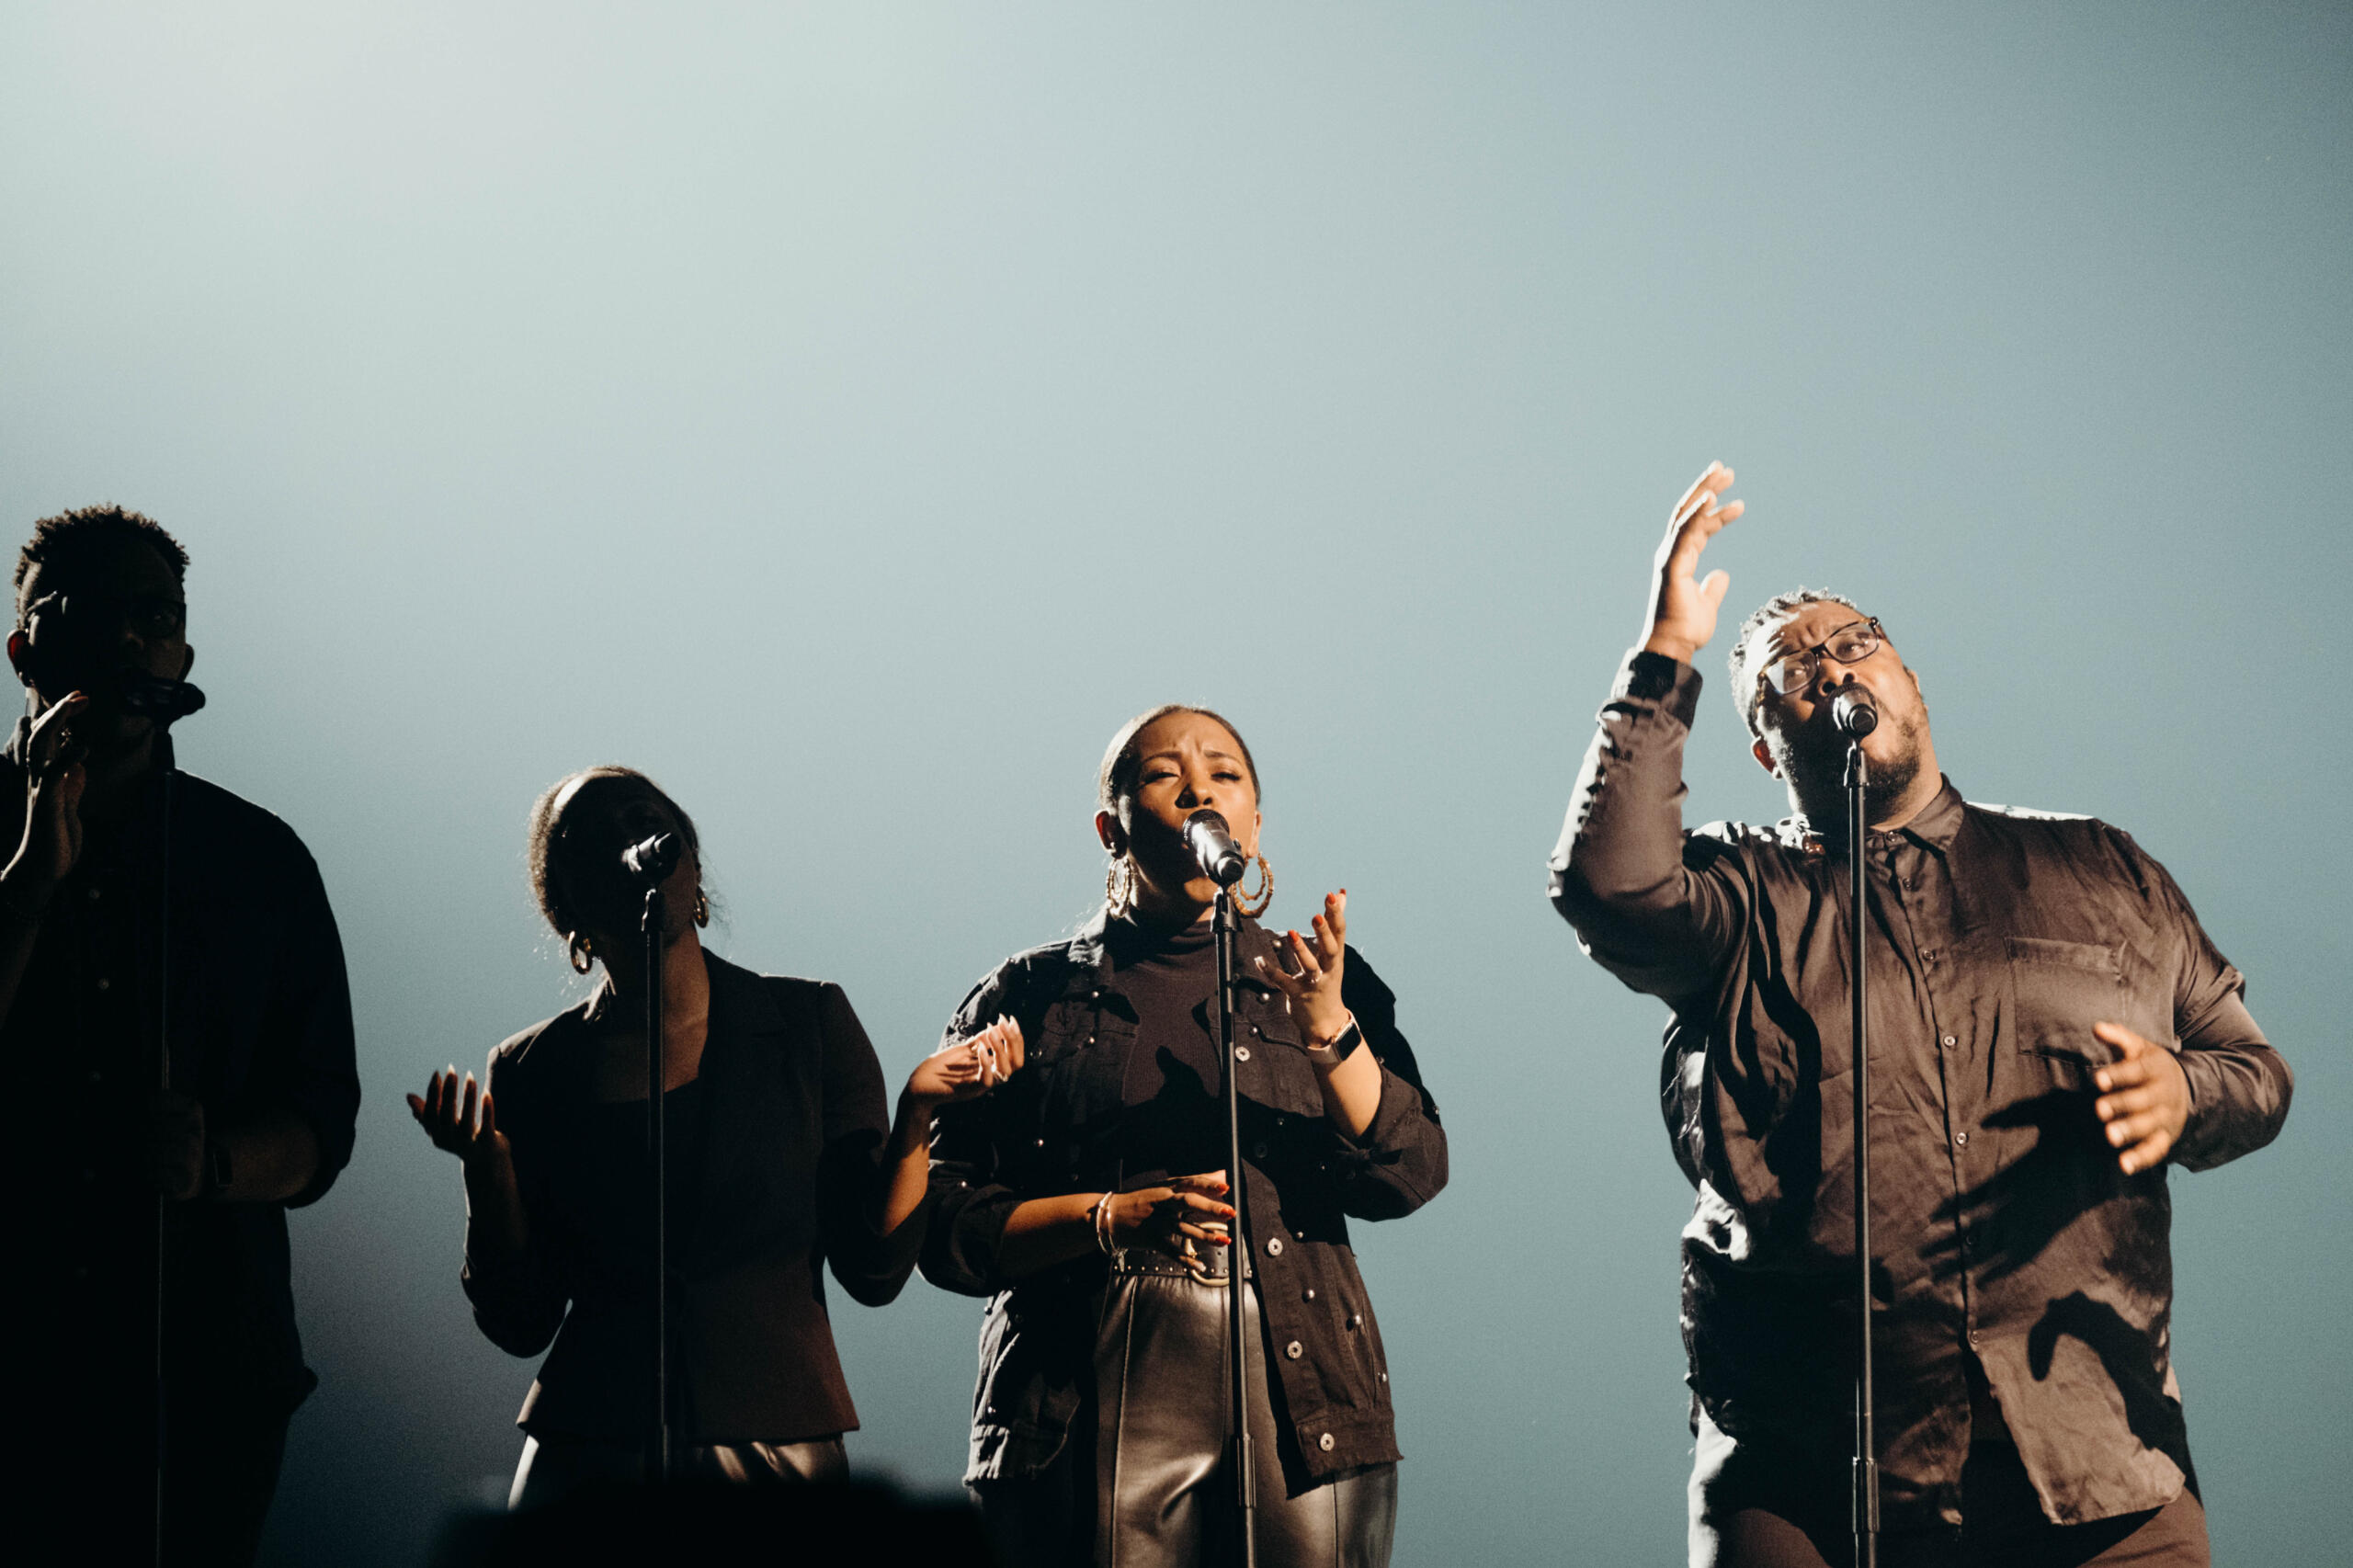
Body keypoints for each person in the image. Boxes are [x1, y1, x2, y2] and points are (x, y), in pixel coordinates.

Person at [1547, 463, 2294, 1568]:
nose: (1830, 661)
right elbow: (1608, 885)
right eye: (1790, 667)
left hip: (2095, 1456)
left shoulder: (2096, 865)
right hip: (1810, 1459)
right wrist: (1667, 652)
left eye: (1854, 639)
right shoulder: (1740, 896)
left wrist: (2185, 1093)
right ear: (1763, 745)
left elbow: (2256, 1072)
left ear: (1909, 676)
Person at [921, 704, 1447, 1568]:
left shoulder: (1315, 980)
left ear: (1253, 822)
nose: (1200, 786)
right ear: (1111, 827)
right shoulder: (1029, 994)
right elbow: (944, 1227)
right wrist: (1106, 1219)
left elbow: (1412, 1172)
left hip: (1299, 1381)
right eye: (1166, 773)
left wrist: (1328, 1029)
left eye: (1225, 773)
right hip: (1080, 1386)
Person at [408, 766, 995, 1506]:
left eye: (644, 817)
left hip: (773, 1442)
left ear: (686, 853)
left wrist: (915, 1122)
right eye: (595, 834)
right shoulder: (533, 1069)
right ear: (568, 906)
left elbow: (873, 1271)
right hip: (593, 1452)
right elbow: (521, 1320)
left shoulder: (809, 1024)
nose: (631, 838)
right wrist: (486, 1170)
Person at [0, 505, 362, 1565]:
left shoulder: (259, 862)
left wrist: (213, 1161)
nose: (123, 637)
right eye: (90, 612)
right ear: (24, 642)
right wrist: (28, 882)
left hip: (203, 1380)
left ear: (182, 652)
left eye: (152, 615)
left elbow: (321, 1122)